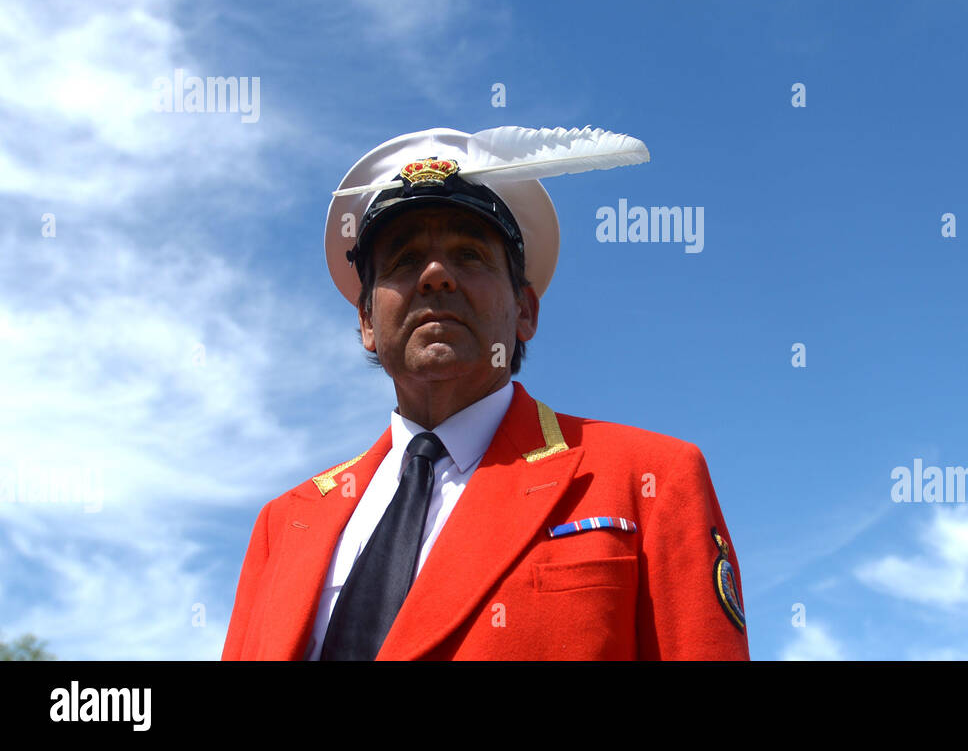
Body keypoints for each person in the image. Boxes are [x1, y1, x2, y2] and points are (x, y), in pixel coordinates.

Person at [221, 126, 749, 660]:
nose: (434, 276)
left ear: (524, 311)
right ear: (366, 322)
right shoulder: (284, 523)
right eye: (404, 261)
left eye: (469, 254)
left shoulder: (648, 478)